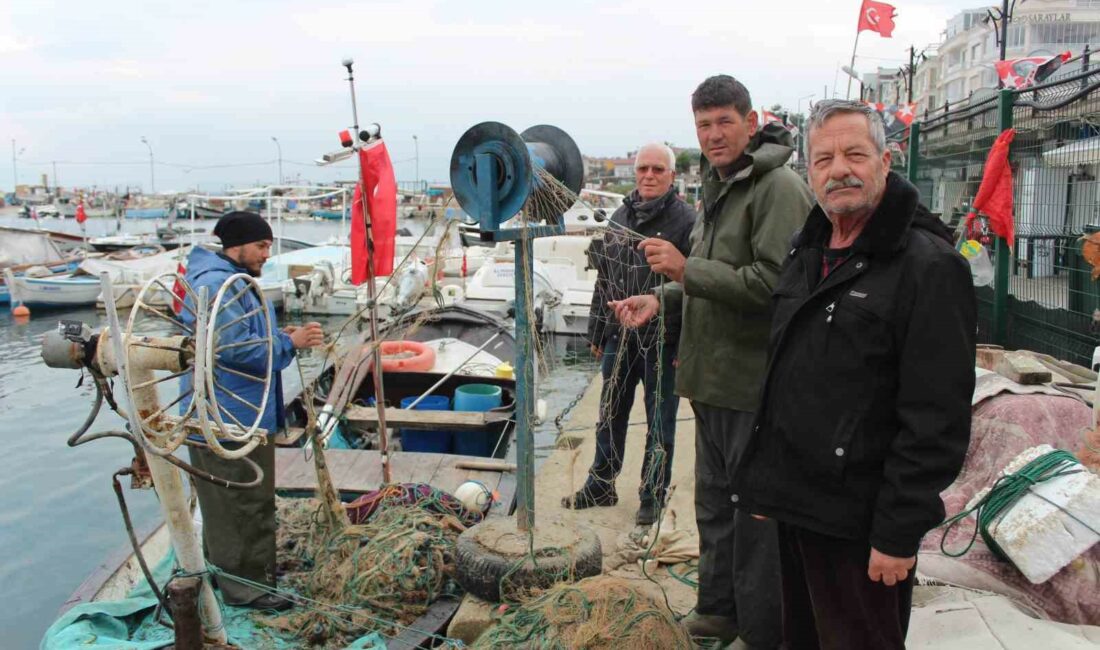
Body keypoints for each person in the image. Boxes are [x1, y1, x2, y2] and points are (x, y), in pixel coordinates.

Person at [730, 99, 976, 649]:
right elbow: (786, 377)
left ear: (885, 162)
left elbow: (935, 419)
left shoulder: (929, 267)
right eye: (823, 159)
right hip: (799, 509)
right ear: (809, 171)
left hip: (863, 528)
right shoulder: (808, 249)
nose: (838, 169)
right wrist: (768, 487)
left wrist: (898, 531)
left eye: (854, 154)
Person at [612, 75, 814, 647]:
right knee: (715, 509)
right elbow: (711, 274)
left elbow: (778, 285)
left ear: (751, 123)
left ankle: (761, 629)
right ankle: (717, 612)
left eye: (725, 121)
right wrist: (662, 298)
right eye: (704, 125)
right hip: (712, 381)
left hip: (752, 385)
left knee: (754, 519)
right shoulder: (722, 185)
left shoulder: (777, 189)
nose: (714, 134)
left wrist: (682, 271)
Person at [180, 210, 324, 610]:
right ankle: (248, 591)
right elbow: (232, 349)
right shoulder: (220, 285)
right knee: (242, 505)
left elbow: (232, 338)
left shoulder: (219, 280)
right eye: (261, 246)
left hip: (226, 412)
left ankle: (234, 576)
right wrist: (288, 344)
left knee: (228, 506)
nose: (266, 254)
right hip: (230, 418)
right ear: (237, 246)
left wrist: (281, 337)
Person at [562, 143, 695, 526]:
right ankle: (601, 483)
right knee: (609, 413)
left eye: (657, 169)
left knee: (659, 421)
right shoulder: (620, 216)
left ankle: (652, 494)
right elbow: (605, 276)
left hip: (664, 338)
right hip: (620, 337)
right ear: (635, 173)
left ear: (671, 176)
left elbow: (694, 284)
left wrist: (687, 344)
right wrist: (597, 331)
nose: (649, 176)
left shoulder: (687, 222)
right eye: (643, 169)